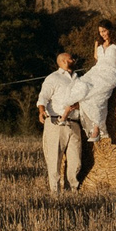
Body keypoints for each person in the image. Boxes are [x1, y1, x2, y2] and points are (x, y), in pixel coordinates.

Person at [36, 50, 89, 191]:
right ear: (64, 61)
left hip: (74, 123)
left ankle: (72, 189)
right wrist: (41, 111)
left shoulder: (79, 79)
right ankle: (55, 192)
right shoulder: (53, 78)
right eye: (72, 58)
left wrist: (77, 106)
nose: (74, 60)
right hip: (55, 122)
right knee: (54, 159)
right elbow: (43, 97)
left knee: (76, 161)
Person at [77, 21, 116, 143]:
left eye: (104, 31)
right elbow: (97, 59)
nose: (102, 34)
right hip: (97, 71)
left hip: (111, 73)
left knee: (99, 96)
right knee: (81, 90)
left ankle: (97, 129)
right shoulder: (97, 43)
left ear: (110, 30)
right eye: (100, 31)